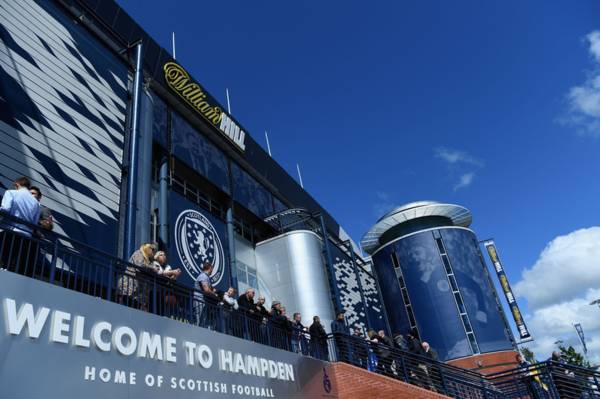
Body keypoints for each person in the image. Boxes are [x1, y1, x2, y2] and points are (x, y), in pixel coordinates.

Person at [0, 176, 40, 272]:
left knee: (3, 258)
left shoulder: (11, 193)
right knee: (12, 263)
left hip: (10, 231)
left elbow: (5, 209)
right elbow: (34, 223)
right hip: (26, 236)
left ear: (17, 184)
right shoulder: (37, 203)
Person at [118, 243, 156, 311]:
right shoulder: (139, 253)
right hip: (129, 289)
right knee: (125, 309)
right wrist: (152, 268)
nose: (153, 251)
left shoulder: (150, 261)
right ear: (146, 248)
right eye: (152, 249)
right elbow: (139, 265)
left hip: (138, 294)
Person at [195, 261, 220, 329]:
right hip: (200, 300)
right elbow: (206, 290)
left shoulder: (206, 277)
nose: (212, 271)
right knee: (200, 320)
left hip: (203, 301)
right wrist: (215, 294)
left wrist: (213, 290)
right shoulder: (203, 276)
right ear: (210, 268)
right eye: (212, 269)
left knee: (203, 321)